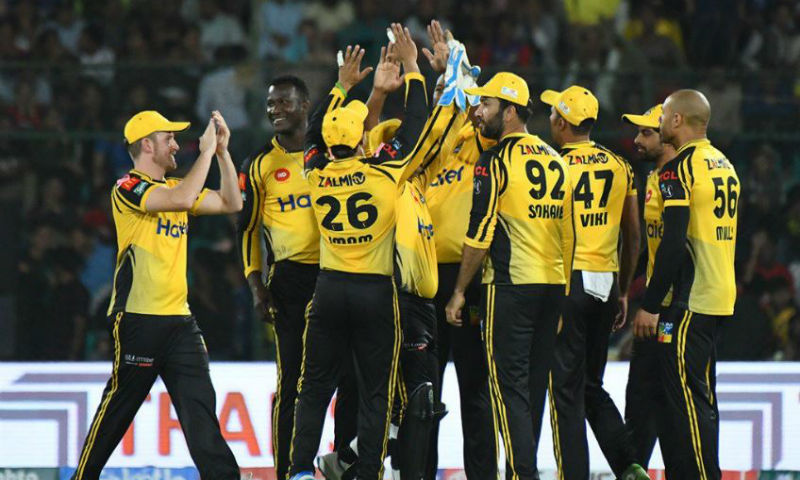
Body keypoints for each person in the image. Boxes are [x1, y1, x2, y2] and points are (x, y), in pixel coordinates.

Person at [288, 24, 428, 480]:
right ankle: (368, 471)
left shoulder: (315, 171)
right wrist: (413, 68)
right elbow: (417, 121)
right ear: (362, 139)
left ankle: (299, 471)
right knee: (375, 390)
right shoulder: (385, 172)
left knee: (313, 387)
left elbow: (312, 132)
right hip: (374, 291)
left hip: (329, 290)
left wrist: (342, 86)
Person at [72, 110, 242, 480]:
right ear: (147, 145)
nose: (177, 145)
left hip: (180, 322)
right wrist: (205, 153)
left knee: (200, 412)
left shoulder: (177, 188)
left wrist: (222, 153)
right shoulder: (127, 187)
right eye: (170, 139)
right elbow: (181, 199)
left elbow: (232, 202)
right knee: (118, 411)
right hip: (139, 319)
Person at [446, 72, 574, 480]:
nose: (479, 111)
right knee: (533, 391)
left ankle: (523, 474)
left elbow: (480, 232)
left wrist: (459, 292)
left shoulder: (494, 161)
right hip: (551, 287)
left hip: (511, 287)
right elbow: (568, 233)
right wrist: (564, 292)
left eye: (487, 105)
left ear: (510, 112)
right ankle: (525, 470)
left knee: (509, 390)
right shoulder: (556, 159)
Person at [236, 75, 354, 480]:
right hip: (289, 282)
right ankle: (288, 472)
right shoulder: (258, 165)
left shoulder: (331, 154)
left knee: (349, 376)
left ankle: (343, 464)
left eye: (284, 102)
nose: (275, 110)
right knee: (292, 381)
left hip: (337, 273)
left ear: (305, 106)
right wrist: (256, 286)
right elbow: (248, 231)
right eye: (271, 104)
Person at [540, 86, 647, 480]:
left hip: (568, 281)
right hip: (605, 283)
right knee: (590, 386)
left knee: (565, 393)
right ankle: (629, 465)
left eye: (553, 113)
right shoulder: (621, 165)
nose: (550, 118)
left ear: (562, 123)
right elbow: (633, 234)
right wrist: (623, 288)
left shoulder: (552, 165)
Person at [633, 89, 739, 480]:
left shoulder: (679, 168)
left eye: (663, 116)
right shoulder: (724, 163)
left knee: (687, 406)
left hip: (690, 300)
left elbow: (674, 243)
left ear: (677, 120)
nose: (659, 122)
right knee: (701, 400)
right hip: (719, 292)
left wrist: (650, 304)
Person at [420, 23, 499, 480]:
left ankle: (482, 474)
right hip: (426, 280)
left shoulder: (478, 142)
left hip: (469, 281)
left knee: (474, 386)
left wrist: (457, 64)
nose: (442, 99)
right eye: (437, 94)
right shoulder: (429, 146)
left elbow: (474, 108)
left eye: (446, 92)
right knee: (425, 390)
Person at [621, 104, 675, 469]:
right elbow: (651, 247)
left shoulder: (678, 180)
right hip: (656, 307)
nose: (637, 140)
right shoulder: (654, 177)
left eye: (646, 133)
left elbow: (677, 249)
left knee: (667, 405)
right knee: (639, 404)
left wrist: (653, 306)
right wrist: (625, 289)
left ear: (667, 136)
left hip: (672, 311)